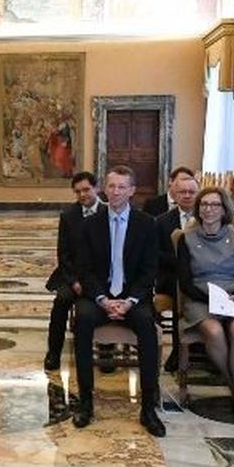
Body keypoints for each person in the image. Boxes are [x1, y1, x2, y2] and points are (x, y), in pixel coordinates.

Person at [71, 166, 164, 435]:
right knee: (83, 320)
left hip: (133, 297)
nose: (116, 192)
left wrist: (130, 301)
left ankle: (148, 407)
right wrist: (102, 299)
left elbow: (150, 270)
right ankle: (85, 402)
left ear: (132, 191)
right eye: (111, 186)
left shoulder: (147, 224)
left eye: (122, 187)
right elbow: (84, 268)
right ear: (104, 189)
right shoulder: (90, 225)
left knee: (147, 325)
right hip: (99, 296)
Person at [177, 187, 234, 423]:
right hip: (200, 297)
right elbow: (185, 281)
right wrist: (211, 300)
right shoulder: (187, 238)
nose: (208, 209)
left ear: (224, 209)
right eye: (204, 204)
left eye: (214, 205)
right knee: (213, 330)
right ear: (198, 209)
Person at [44, 171, 102, 371]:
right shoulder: (68, 216)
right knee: (61, 302)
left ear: (96, 188)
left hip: (101, 278)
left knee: (106, 301)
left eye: (86, 190)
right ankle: (53, 352)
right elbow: (64, 254)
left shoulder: (109, 212)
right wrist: (74, 281)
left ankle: (106, 348)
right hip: (73, 276)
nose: (83, 195)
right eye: (78, 192)